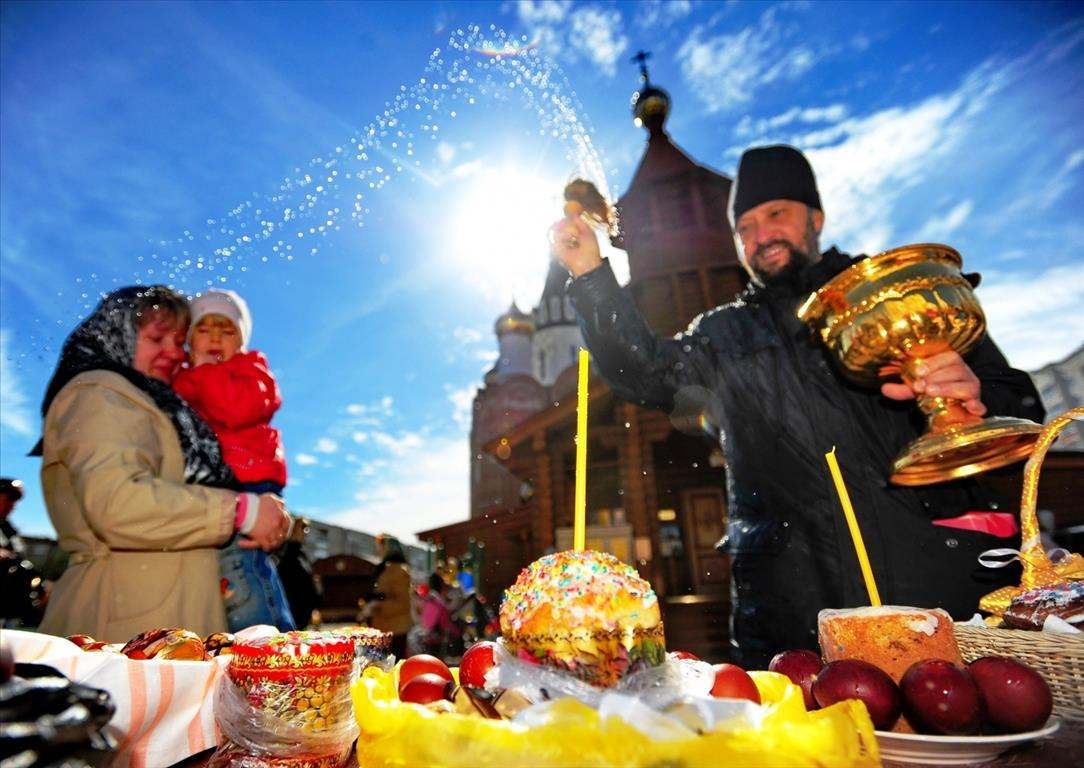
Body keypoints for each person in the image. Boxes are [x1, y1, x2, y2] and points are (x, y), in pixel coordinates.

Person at [550, 147, 1045, 666]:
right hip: (792, 620)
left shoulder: (898, 295)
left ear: (816, 217)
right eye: (744, 227)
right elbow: (644, 370)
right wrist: (589, 273)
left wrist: (973, 400)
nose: (761, 235)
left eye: (775, 214)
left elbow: (1019, 404)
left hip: (944, 598)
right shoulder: (725, 334)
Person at [34, 286, 291, 642]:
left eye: (178, 341)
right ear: (117, 333)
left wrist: (266, 519)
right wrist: (242, 511)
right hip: (122, 628)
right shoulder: (100, 392)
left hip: (165, 621)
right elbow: (118, 504)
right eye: (157, 338)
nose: (174, 353)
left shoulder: (161, 405)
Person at [173, 289, 295, 631]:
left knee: (242, 569)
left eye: (227, 331)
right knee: (220, 578)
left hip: (248, 479)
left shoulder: (250, 370)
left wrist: (205, 371)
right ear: (188, 338)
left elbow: (237, 409)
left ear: (241, 341)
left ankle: (270, 645)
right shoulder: (182, 378)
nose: (215, 338)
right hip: (214, 483)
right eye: (204, 329)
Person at [364, 534, 413, 659]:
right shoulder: (385, 568)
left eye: (380, 545)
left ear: (388, 547)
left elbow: (403, 604)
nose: (377, 549)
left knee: (393, 669)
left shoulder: (399, 570)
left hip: (395, 630)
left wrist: (376, 605)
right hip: (384, 629)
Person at [276, 517, 322, 629]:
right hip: (292, 613)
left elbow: (309, 581)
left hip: (305, 613)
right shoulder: (284, 553)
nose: (305, 532)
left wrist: (315, 607)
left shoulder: (302, 554)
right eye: (302, 528)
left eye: (306, 529)